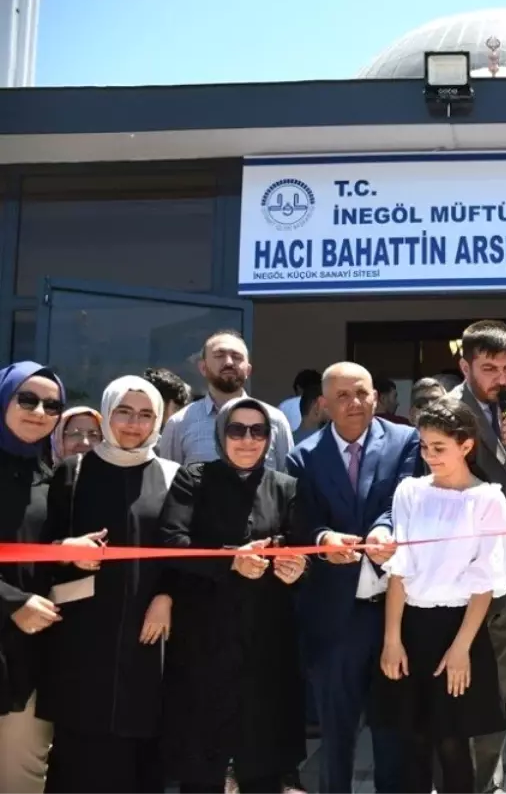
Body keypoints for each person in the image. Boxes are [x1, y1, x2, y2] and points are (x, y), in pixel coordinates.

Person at [158, 397, 310, 794]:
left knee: (263, 759)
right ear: (219, 434)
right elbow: (173, 543)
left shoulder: (286, 486)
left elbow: (302, 547)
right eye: (236, 430)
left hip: (265, 640)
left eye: (258, 431)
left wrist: (296, 569)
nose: (247, 440)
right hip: (204, 638)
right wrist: (231, 561)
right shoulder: (194, 478)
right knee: (201, 764)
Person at [372, 398, 506, 794]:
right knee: (413, 741)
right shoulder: (409, 491)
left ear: (466, 446)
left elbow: (483, 581)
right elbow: (399, 569)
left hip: (460, 629)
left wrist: (461, 649)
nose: (429, 456)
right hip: (410, 626)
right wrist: (392, 639)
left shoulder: (488, 498)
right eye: (424, 447)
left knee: (453, 743)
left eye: (439, 448)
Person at [38, 376, 180, 794]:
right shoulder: (73, 471)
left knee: (140, 753)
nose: (133, 424)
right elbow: (43, 544)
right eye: (124, 411)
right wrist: (66, 550)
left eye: (145, 415)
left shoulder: (173, 476)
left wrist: (167, 597)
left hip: (147, 634)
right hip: (83, 634)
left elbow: (182, 548)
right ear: (108, 411)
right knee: (82, 754)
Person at [286, 362, 420, 794]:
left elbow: (406, 500)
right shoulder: (302, 455)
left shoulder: (405, 442)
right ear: (323, 404)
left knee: (394, 732)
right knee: (337, 733)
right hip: (334, 616)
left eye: (362, 393)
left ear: (376, 397)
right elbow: (300, 523)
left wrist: (384, 528)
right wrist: (324, 538)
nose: (355, 403)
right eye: (342, 396)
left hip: (394, 612)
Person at [446, 320, 506, 794]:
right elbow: (447, 486)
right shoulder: (445, 411)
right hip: (458, 574)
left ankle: (487, 780)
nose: (501, 379)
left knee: (503, 683)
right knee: (459, 683)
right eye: (489, 368)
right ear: (465, 366)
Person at [0, 362, 65, 794]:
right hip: (12, 622)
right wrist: (11, 603)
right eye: (27, 399)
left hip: (26, 661)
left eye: (52, 404)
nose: (40, 411)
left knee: (20, 780)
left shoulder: (54, 479)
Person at [159, 331, 293, 471]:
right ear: (203, 368)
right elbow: (169, 485)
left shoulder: (275, 420)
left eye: (237, 357)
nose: (229, 362)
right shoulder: (179, 423)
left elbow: (287, 484)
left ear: (248, 370)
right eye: (219, 356)